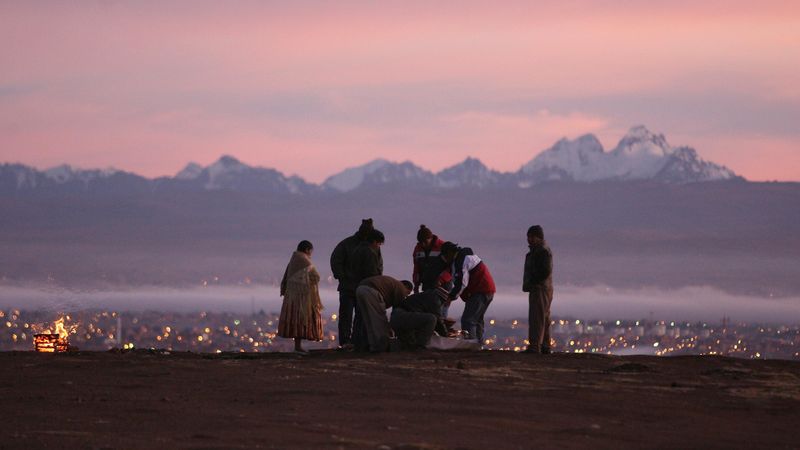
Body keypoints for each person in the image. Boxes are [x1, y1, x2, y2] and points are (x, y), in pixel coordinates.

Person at [330, 219, 374, 348]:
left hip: (356, 286)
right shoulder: (348, 244)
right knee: (348, 316)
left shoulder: (347, 244)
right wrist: (342, 277)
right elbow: (336, 261)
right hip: (350, 287)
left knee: (356, 316)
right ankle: (347, 341)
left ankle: (352, 341)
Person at [442, 241, 496, 345]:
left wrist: (451, 297)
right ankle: (478, 345)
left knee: (468, 320)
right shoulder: (467, 257)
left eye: (445, 255)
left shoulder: (461, 260)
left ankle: (470, 345)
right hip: (487, 290)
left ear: (449, 253)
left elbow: (462, 282)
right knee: (477, 320)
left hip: (480, 291)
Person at [278, 240, 323, 354]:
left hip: (291, 297)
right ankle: (298, 347)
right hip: (302, 297)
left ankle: (297, 346)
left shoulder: (293, 260)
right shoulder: (304, 260)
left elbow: (286, 277)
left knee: (295, 320)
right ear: (307, 250)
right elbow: (315, 276)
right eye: (311, 252)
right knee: (302, 319)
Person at [355, 275, 412, 352]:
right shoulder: (401, 288)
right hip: (371, 291)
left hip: (360, 289)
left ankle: (371, 346)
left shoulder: (392, 284)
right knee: (379, 322)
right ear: (406, 287)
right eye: (407, 293)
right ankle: (381, 347)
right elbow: (397, 313)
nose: (405, 296)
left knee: (368, 321)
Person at [523, 225, 554, 354]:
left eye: (531, 237)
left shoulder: (541, 251)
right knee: (544, 317)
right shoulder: (540, 250)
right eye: (528, 237)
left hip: (539, 288)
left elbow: (545, 271)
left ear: (538, 237)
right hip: (544, 287)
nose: (529, 240)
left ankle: (535, 346)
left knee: (537, 317)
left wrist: (533, 281)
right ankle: (545, 346)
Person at [390, 286, 449, 350]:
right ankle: (420, 347)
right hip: (402, 316)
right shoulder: (435, 299)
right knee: (432, 319)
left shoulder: (427, 295)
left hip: (398, 317)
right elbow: (438, 320)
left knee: (407, 344)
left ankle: (389, 345)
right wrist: (446, 335)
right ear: (443, 299)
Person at [412, 225, 445, 293]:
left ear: (431, 238)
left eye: (425, 242)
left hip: (442, 284)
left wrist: (441, 280)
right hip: (426, 283)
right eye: (421, 242)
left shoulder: (443, 246)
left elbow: (450, 267)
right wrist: (416, 284)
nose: (423, 244)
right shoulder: (417, 248)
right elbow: (416, 268)